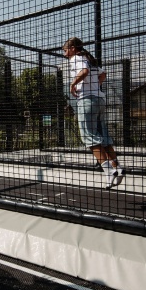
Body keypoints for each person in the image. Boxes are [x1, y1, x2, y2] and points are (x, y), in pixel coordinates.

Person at [62, 37, 124, 188]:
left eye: (65, 50)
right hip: (100, 100)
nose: (64, 54)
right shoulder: (89, 58)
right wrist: (95, 86)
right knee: (103, 136)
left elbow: (84, 71)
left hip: (87, 101)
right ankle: (117, 167)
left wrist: (73, 84)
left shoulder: (76, 58)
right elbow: (103, 74)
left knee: (89, 137)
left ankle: (109, 172)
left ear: (72, 48)